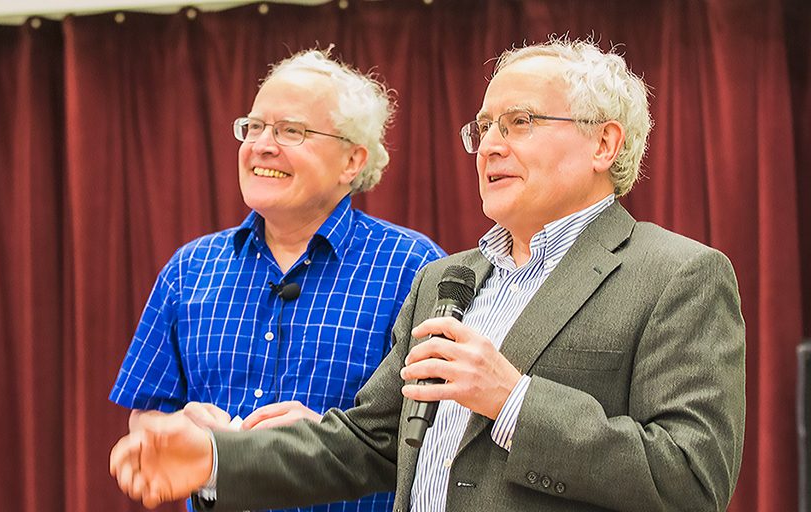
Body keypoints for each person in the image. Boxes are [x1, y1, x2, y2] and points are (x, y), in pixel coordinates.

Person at [109, 38, 746, 511]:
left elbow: (693, 479)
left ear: (604, 143)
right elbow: (367, 443)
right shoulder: (447, 279)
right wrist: (216, 460)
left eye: (520, 122)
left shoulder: (678, 275)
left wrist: (514, 400)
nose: (491, 144)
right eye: (484, 127)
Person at [108, 49, 446, 512]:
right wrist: (177, 432)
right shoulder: (190, 269)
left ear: (352, 160)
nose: (262, 145)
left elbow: (446, 436)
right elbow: (145, 418)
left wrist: (334, 440)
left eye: (291, 131)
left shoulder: (414, 268)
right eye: (254, 127)